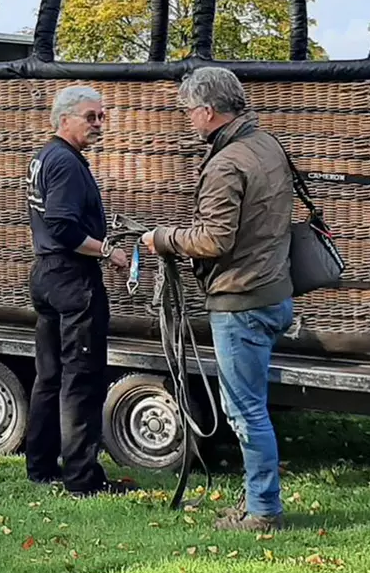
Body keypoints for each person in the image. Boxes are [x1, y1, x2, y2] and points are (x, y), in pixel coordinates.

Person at [141, 67, 295, 532]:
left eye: (189, 111)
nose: (188, 120)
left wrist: (162, 238)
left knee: (246, 411)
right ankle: (256, 502)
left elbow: (214, 240)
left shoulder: (227, 162)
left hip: (242, 299)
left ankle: (263, 511)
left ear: (208, 111)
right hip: (272, 291)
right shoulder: (266, 143)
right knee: (251, 406)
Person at [25, 85, 123, 495]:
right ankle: (82, 480)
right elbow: (64, 227)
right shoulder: (65, 163)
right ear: (64, 118)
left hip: (46, 275)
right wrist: (107, 251)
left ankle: (41, 467)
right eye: (91, 117)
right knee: (80, 380)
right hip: (71, 278)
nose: (99, 124)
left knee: (48, 377)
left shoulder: (44, 157)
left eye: (102, 117)